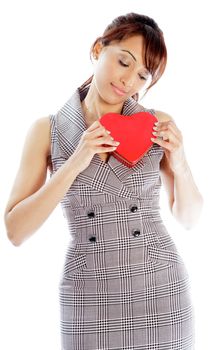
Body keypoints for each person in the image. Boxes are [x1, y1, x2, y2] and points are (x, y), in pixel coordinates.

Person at [4, 12, 203, 350]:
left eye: (142, 75)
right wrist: (74, 163)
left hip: (160, 287)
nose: (128, 81)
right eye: (123, 62)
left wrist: (181, 163)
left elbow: (189, 218)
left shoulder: (156, 125)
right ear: (98, 49)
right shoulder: (47, 131)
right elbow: (15, 232)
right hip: (87, 294)